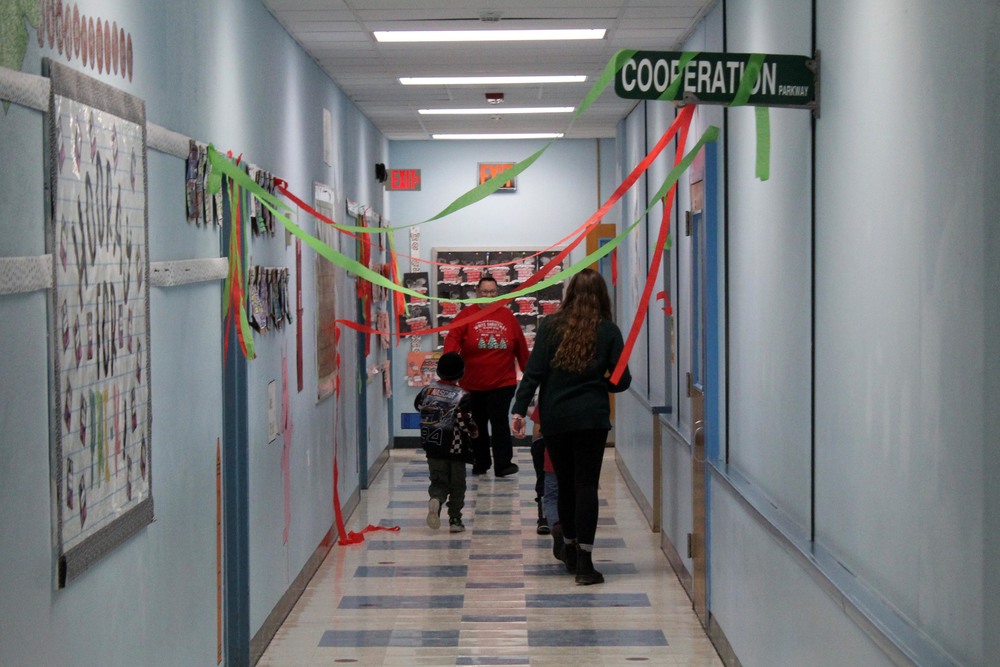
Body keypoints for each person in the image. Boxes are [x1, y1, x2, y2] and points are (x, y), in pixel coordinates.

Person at [510, 269, 631, 585]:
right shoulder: (609, 331)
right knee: (586, 486)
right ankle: (586, 565)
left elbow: (533, 373)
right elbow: (623, 380)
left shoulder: (550, 326)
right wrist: (599, 382)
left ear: (570, 293)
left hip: (557, 418)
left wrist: (519, 410)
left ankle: (568, 546)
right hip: (591, 419)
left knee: (564, 483)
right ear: (602, 296)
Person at [444, 274, 529, 477]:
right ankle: (480, 462)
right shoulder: (466, 315)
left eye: (492, 292)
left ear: (497, 293)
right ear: (477, 291)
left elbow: (521, 347)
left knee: (499, 421)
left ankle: (503, 464)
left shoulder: (508, 317)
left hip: (503, 382)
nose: (488, 295)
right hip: (472, 383)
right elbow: (452, 342)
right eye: (484, 291)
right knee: (477, 424)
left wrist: (530, 373)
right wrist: (448, 372)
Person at [414, 352, 479, 533]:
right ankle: (455, 520)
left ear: (438, 370)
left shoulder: (426, 391)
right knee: (458, 485)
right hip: (455, 449)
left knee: (438, 480)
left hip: (432, 448)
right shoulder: (462, 396)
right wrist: (474, 432)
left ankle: (436, 499)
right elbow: (463, 421)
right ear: (461, 373)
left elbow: (418, 406)